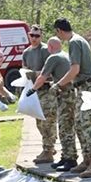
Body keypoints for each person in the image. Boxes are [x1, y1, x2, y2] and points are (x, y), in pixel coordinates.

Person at [53, 18, 91, 177]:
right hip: (82, 88)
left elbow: (75, 69)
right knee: (80, 125)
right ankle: (87, 160)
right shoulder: (78, 40)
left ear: (59, 31)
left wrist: (59, 84)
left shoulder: (74, 42)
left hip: (86, 87)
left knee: (87, 126)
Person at [30, 37, 76, 169]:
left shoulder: (53, 58)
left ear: (49, 47)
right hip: (71, 94)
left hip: (65, 95)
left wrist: (31, 90)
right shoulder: (66, 56)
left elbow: (41, 77)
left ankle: (70, 159)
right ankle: (66, 156)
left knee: (64, 128)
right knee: (67, 127)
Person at [22, 25, 57, 165]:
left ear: (41, 37)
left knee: (47, 121)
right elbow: (24, 68)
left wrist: (34, 74)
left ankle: (48, 150)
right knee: (39, 122)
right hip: (34, 90)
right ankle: (49, 146)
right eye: (32, 35)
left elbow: (48, 71)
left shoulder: (45, 50)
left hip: (47, 89)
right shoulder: (26, 52)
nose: (34, 38)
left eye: (37, 36)